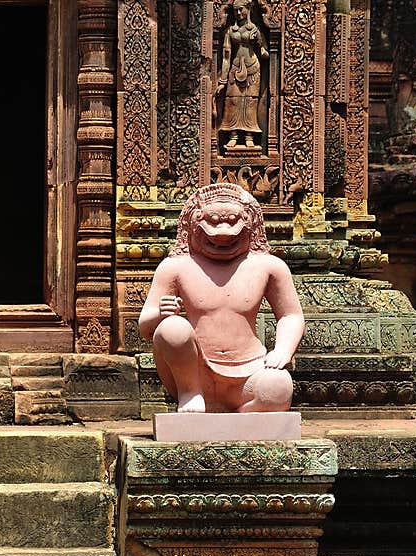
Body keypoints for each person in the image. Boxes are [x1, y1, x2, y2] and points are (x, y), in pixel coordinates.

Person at [138, 183, 304, 413]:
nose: (224, 232)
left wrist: (283, 350)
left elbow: (290, 315)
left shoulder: (269, 266)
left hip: (250, 369)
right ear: (192, 225)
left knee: (278, 388)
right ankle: (190, 394)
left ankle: (238, 417)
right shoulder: (175, 267)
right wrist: (160, 314)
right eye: (213, 222)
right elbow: (146, 328)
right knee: (172, 328)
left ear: (251, 223)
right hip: (195, 371)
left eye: (234, 221)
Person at [216, 0, 269, 150]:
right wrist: (222, 80)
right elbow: (226, 57)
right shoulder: (230, 32)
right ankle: (233, 135)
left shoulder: (255, 30)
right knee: (232, 100)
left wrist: (261, 47)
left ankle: (249, 136)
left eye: (241, 10)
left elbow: (265, 52)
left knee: (250, 101)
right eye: (235, 11)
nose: (238, 13)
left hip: (253, 69)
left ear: (249, 9)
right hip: (235, 68)